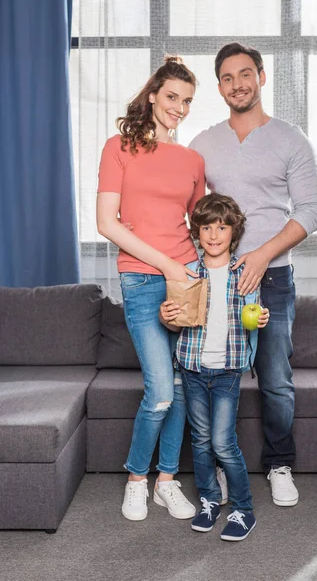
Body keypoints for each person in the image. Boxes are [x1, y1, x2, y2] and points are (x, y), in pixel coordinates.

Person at [188, 43, 317, 508]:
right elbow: (187, 211)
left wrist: (264, 254)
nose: (237, 84)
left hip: (271, 279)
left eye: (245, 74)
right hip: (213, 279)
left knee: (275, 378)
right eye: (227, 78)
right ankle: (218, 470)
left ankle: (279, 463)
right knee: (208, 372)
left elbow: (311, 211)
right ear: (220, 86)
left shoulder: (292, 140)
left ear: (262, 77)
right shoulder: (202, 144)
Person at [96, 55, 206, 522]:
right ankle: (136, 479)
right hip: (142, 278)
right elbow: (106, 223)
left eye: (187, 101)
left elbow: (204, 228)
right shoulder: (118, 147)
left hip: (186, 278)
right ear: (152, 95)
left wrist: (206, 274)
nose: (179, 108)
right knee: (160, 389)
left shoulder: (193, 160)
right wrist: (167, 264)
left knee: (181, 386)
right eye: (172, 97)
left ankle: (166, 480)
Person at [160, 193, 269, 541]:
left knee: (223, 443)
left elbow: (253, 316)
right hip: (192, 369)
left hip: (227, 372)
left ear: (233, 231)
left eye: (222, 227)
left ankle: (243, 509)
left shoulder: (243, 272)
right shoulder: (189, 274)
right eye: (207, 227)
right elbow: (177, 323)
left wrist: (260, 317)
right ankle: (209, 500)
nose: (214, 234)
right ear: (197, 231)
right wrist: (168, 316)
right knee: (202, 441)